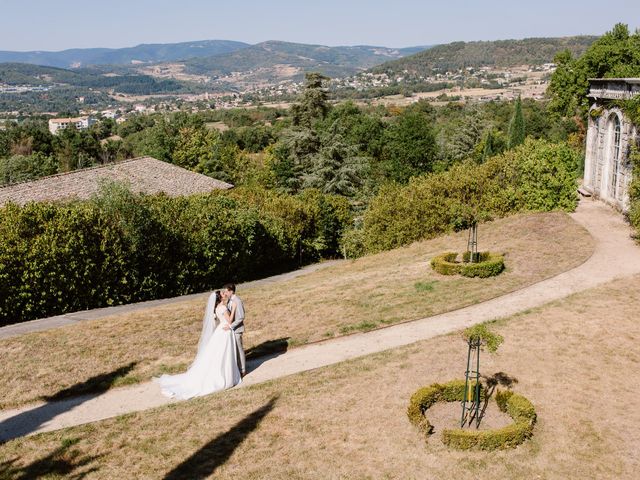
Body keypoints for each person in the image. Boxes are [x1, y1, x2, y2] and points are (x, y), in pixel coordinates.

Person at [155, 290, 241, 399]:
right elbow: (229, 321)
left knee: (219, 354)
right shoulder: (223, 308)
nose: (225, 295)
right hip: (225, 330)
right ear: (220, 298)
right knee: (224, 353)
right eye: (223, 294)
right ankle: (226, 374)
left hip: (220, 330)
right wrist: (233, 308)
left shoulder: (216, 308)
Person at [221, 283, 246, 377]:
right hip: (231, 330)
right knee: (234, 350)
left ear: (231, 291)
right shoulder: (229, 301)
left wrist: (231, 326)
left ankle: (243, 370)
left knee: (239, 350)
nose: (225, 293)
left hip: (237, 329)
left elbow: (241, 317)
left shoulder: (237, 301)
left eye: (226, 291)